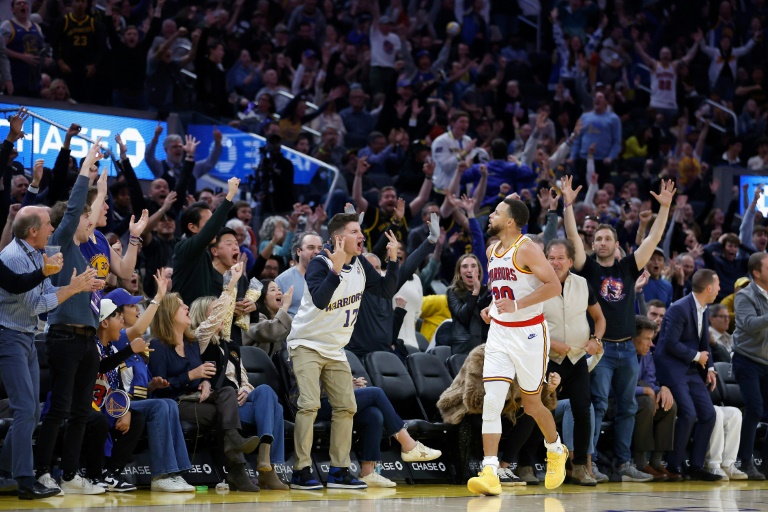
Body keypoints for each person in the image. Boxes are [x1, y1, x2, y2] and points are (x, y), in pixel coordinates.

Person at [561, 175, 675, 482]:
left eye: (607, 239)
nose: (601, 243)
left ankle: (624, 464)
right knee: (597, 405)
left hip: (627, 347)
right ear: (593, 244)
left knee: (627, 407)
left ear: (616, 244)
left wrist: (664, 208)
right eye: (597, 239)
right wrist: (567, 204)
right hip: (601, 348)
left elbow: (651, 241)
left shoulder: (627, 267)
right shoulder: (590, 268)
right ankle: (591, 462)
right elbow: (572, 235)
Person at [286, 213, 399, 490]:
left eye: (360, 231)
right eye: (354, 231)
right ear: (339, 238)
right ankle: (300, 470)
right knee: (310, 404)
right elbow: (322, 301)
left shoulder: (360, 264)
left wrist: (393, 260)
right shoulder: (319, 264)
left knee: (347, 406)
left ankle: (339, 471)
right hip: (307, 343)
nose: (361, 236)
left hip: (335, 348)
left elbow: (386, 290)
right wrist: (335, 270)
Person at [466, 196, 565, 496]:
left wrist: (517, 304)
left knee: (533, 404)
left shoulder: (528, 248)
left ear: (510, 221)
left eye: (496, 212)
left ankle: (556, 448)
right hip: (499, 332)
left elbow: (554, 286)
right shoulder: (492, 250)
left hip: (529, 335)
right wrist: (492, 307)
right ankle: (490, 470)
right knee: (492, 401)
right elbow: (500, 289)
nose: (491, 216)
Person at [0, 205, 94, 499]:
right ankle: (26, 482)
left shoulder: (36, 254)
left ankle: (6, 473)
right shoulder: (15, 258)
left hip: (26, 336)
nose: (52, 228)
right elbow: (37, 306)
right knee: (26, 409)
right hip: (9, 336)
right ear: (33, 231)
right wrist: (72, 289)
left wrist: (73, 287)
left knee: (34, 409)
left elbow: (44, 300)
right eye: (48, 225)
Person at [36, 141, 108, 496]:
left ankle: (70, 474)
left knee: (82, 411)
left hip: (87, 339)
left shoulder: (83, 252)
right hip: (63, 335)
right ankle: (42, 471)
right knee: (60, 408)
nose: (90, 218)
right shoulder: (61, 243)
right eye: (85, 215)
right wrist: (87, 171)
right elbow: (75, 208)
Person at [148, 292, 262, 490]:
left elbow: (201, 375)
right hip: (175, 402)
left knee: (226, 392)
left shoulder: (191, 344)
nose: (186, 308)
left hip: (197, 398)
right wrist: (191, 376)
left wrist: (205, 382)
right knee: (222, 415)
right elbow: (162, 386)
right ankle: (237, 467)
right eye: (180, 305)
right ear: (168, 313)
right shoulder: (158, 345)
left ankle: (234, 446)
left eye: (185, 304)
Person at [190, 264, 288, 491]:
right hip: (224, 405)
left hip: (242, 401)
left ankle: (265, 460)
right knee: (277, 410)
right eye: (216, 310)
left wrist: (247, 389)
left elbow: (244, 378)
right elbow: (213, 321)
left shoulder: (232, 345)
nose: (224, 312)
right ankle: (269, 469)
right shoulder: (201, 339)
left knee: (264, 392)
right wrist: (232, 285)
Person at [102, 281, 196, 492]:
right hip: (115, 404)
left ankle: (176, 472)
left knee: (168, 403)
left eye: (137, 306)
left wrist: (152, 386)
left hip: (135, 403)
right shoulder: (117, 339)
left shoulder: (136, 348)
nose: (137, 309)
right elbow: (140, 329)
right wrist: (158, 298)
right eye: (131, 306)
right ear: (116, 312)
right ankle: (162, 474)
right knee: (161, 407)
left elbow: (136, 388)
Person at [542, 238, 605, 485]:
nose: (555, 262)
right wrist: (550, 343)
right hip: (547, 358)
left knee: (583, 410)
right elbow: (529, 325)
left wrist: (595, 339)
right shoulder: (538, 284)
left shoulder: (582, 284)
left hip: (576, 357)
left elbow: (599, 318)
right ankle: (527, 464)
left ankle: (579, 467)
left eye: (560, 258)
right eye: (551, 257)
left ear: (570, 261)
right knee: (537, 411)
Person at [654, 269, 721, 481]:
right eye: (717, 286)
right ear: (709, 288)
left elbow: (703, 343)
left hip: (692, 368)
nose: (719, 289)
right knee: (688, 414)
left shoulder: (704, 308)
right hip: (672, 367)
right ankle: (674, 465)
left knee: (708, 415)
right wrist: (696, 356)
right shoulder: (678, 309)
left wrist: (709, 367)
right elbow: (670, 343)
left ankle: (696, 466)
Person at [171, 177, 240, 306]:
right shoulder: (183, 248)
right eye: (208, 223)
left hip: (202, 318)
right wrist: (229, 196)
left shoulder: (206, 254)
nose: (214, 228)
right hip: (184, 319)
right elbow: (210, 229)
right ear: (192, 227)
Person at [732, 252, 768, 480]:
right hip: (747, 359)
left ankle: (765, 464)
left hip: (766, 360)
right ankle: (745, 461)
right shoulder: (745, 295)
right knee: (754, 408)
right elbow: (748, 324)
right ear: (757, 272)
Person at [632, 315, 678, 482]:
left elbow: (651, 382)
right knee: (646, 402)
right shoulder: (620, 353)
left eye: (652, 339)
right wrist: (645, 390)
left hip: (640, 400)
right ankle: (640, 462)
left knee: (668, 404)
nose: (651, 344)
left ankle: (656, 461)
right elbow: (614, 389)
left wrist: (662, 389)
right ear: (633, 338)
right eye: (647, 339)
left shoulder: (647, 355)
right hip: (615, 403)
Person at [447, 254, 491, 355]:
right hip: (463, 348)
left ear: (479, 271)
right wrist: (475, 292)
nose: (469, 270)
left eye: (473, 266)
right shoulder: (453, 292)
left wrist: (488, 291)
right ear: (459, 272)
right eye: (465, 266)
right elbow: (463, 317)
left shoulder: (486, 291)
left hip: (485, 346)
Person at [275, 231, 323, 317]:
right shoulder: (282, 280)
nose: (317, 251)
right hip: (293, 328)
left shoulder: (328, 277)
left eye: (320, 248)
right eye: (311, 247)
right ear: (298, 251)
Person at [245, 280, 294, 356]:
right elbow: (272, 332)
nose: (279, 293)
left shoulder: (279, 319)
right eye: (273, 290)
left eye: (279, 289)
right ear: (263, 298)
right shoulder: (253, 318)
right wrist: (285, 306)